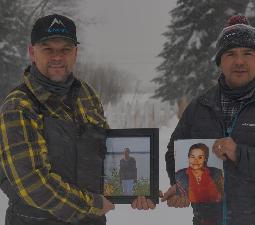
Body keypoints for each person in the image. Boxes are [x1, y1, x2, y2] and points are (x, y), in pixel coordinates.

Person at [0, 14, 153, 225]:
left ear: (75, 53)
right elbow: (32, 182)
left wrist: (139, 189)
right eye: (48, 49)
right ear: (32, 53)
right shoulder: (19, 105)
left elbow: (106, 155)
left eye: (65, 49)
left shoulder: (86, 93)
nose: (57, 57)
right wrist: (91, 204)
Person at [161, 15, 255, 225]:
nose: (239, 61)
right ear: (220, 62)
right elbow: (175, 150)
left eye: (248, 53)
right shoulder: (201, 106)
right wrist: (182, 186)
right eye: (230, 53)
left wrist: (240, 154)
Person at [175, 143, 223, 225]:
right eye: (192, 157)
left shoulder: (216, 173)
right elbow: (179, 196)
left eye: (200, 157)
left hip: (218, 218)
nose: (195, 161)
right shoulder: (180, 176)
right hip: (199, 219)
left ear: (205, 159)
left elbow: (224, 195)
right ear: (189, 158)